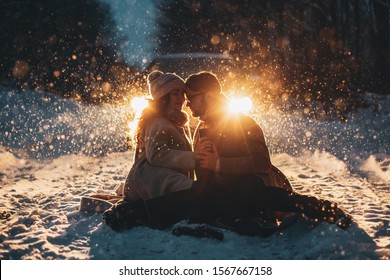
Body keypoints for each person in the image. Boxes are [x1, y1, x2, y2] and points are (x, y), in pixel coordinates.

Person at [183, 71, 352, 232]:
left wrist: (219, 164)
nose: (187, 104)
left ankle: (325, 209)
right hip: (229, 192)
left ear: (208, 96)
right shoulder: (202, 127)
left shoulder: (240, 122)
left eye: (191, 97)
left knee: (248, 187)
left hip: (256, 187)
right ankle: (239, 218)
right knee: (201, 195)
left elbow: (262, 162)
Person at [104, 70, 197, 230]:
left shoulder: (171, 121)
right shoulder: (158, 122)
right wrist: (195, 158)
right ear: (163, 97)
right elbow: (156, 154)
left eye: (182, 94)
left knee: (194, 193)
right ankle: (133, 213)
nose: (181, 99)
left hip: (155, 177)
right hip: (149, 177)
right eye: (175, 94)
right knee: (195, 192)